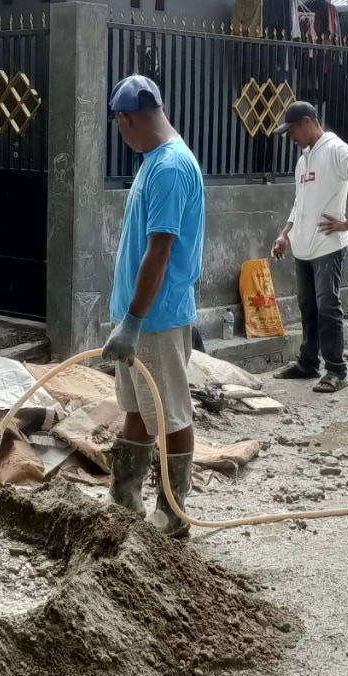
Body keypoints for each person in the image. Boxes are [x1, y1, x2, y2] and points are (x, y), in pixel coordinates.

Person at [102, 75, 205, 540]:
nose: (120, 134)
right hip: (139, 316)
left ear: (125, 118)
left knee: (169, 413)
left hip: (156, 319)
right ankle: (125, 498)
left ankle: (172, 513)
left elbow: (159, 253)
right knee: (140, 408)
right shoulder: (153, 160)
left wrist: (134, 321)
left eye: (119, 126)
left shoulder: (168, 168)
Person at [270, 101, 348, 393]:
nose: (291, 137)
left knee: (328, 307)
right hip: (303, 247)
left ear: (307, 122)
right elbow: (298, 202)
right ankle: (307, 362)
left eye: (292, 130)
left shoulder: (335, 149)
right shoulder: (304, 158)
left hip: (328, 246)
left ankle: (336, 370)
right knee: (308, 306)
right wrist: (285, 234)